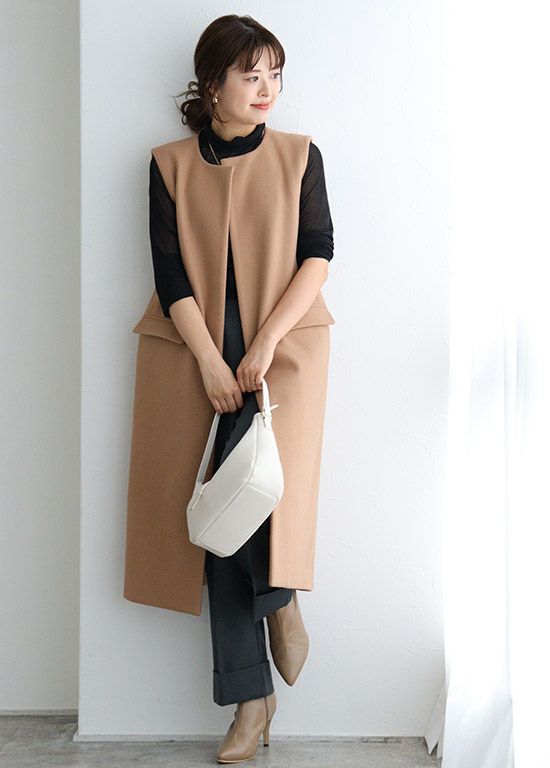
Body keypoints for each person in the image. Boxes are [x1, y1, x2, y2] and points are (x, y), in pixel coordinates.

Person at [143, 14, 335, 765]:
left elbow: (318, 255)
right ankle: (266, 655)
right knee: (218, 514)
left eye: (274, 75)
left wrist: (262, 345)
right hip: (199, 360)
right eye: (250, 75)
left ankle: (259, 673)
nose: (266, 90)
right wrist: (210, 362)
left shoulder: (299, 156)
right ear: (212, 83)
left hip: (280, 354)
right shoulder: (168, 165)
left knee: (250, 505)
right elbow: (171, 277)